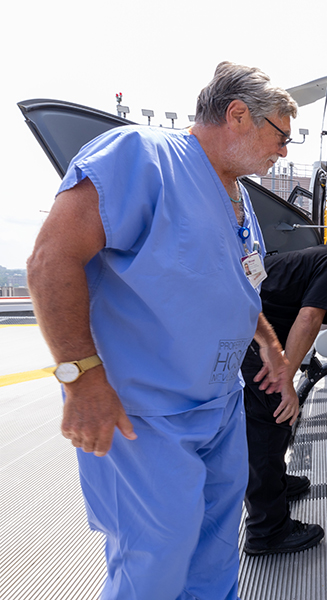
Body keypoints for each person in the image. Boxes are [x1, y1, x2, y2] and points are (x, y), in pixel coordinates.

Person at [27, 61, 299, 598]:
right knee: (157, 557)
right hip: (144, 413)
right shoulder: (139, 157)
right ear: (239, 116)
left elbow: (239, 287)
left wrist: (268, 343)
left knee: (216, 551)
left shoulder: (239, 198)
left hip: (219, 406)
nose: (284, 152)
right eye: (281, 136)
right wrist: (81, 376)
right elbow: (50, 258)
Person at [241, 229, 327, 555]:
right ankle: (267, 531)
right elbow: (309, 317)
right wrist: (286, 380)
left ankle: (276, 485)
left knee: (271, 423)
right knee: (271, 423)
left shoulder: (307, 259)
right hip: (253, 343)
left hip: (247, 336)